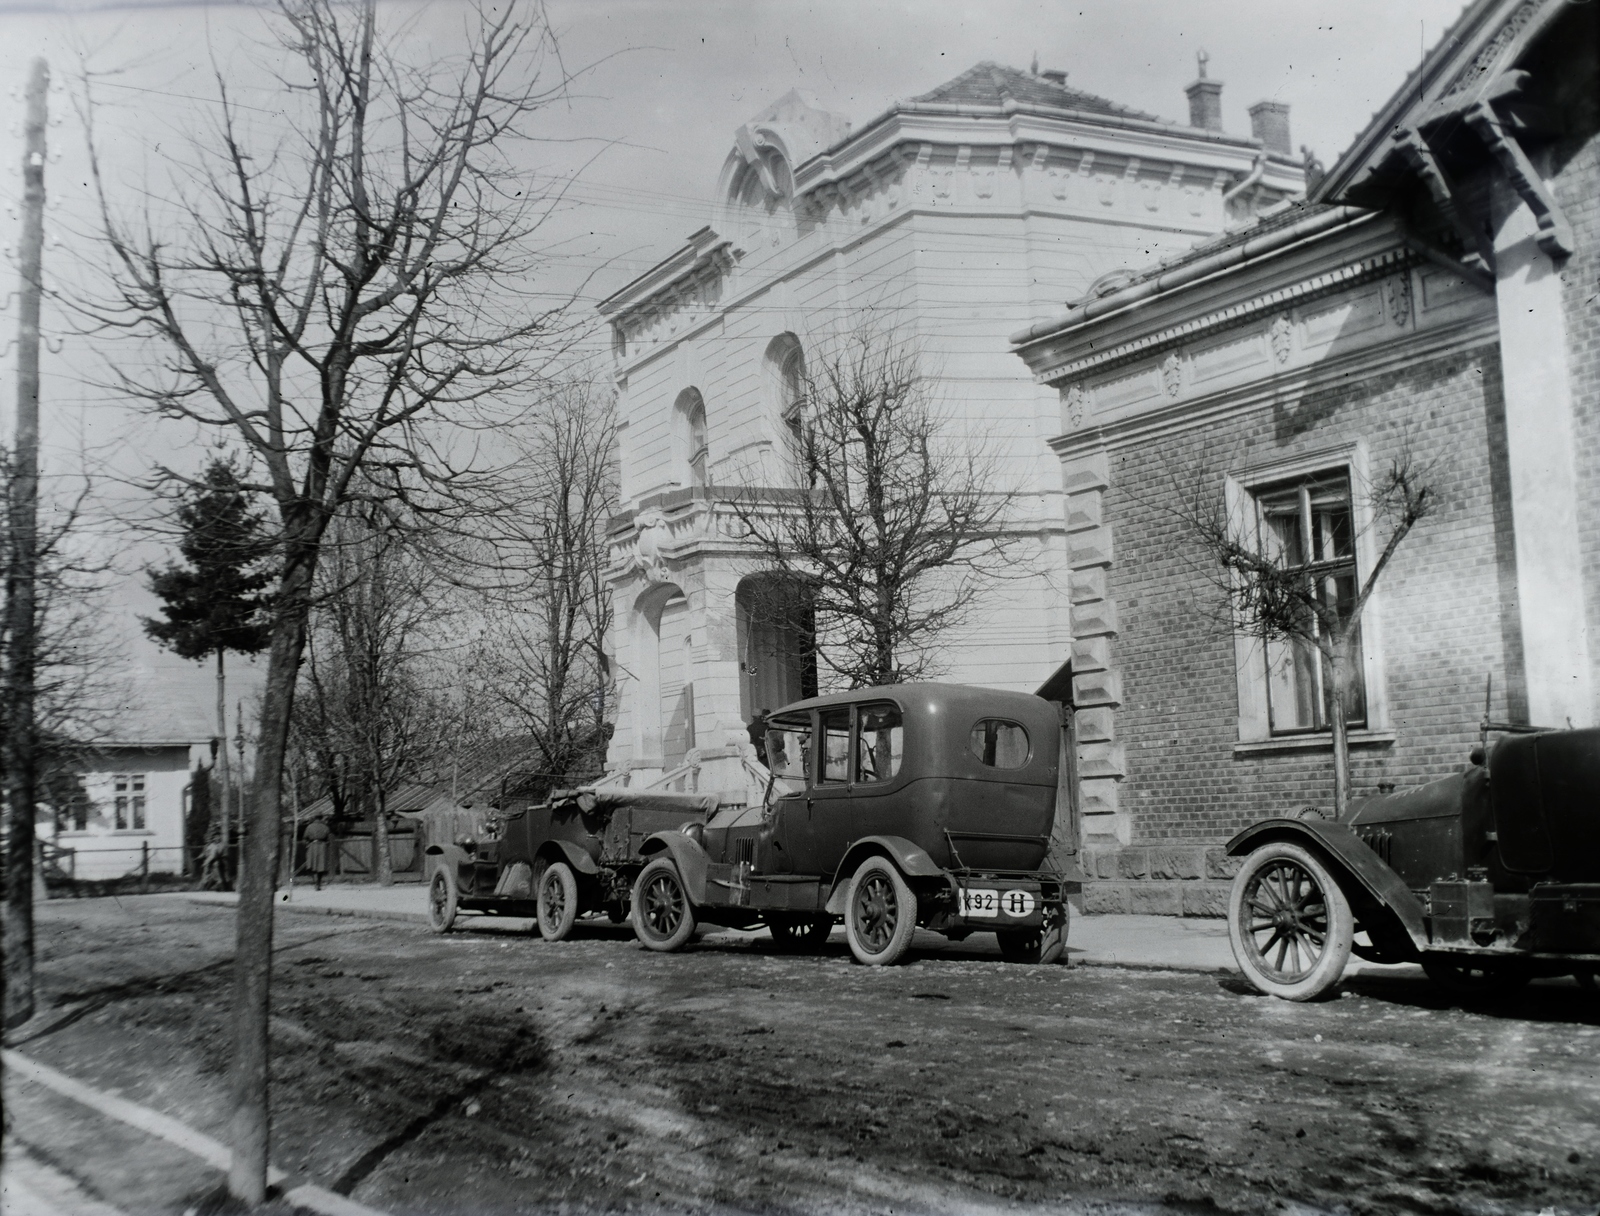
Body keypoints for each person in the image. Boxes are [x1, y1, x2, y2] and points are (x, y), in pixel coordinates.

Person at [304, 814, 332, 891]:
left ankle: (315, 882)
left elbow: (305, 837)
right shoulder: (325, 827)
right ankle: (318, 883)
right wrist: (326, 844)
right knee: (321, 865)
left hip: (312, 846)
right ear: (321, 818)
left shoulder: (309, 827)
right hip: (322, 846)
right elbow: (328, 839)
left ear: (314, 818)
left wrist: (307, 844)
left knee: (312, 865)